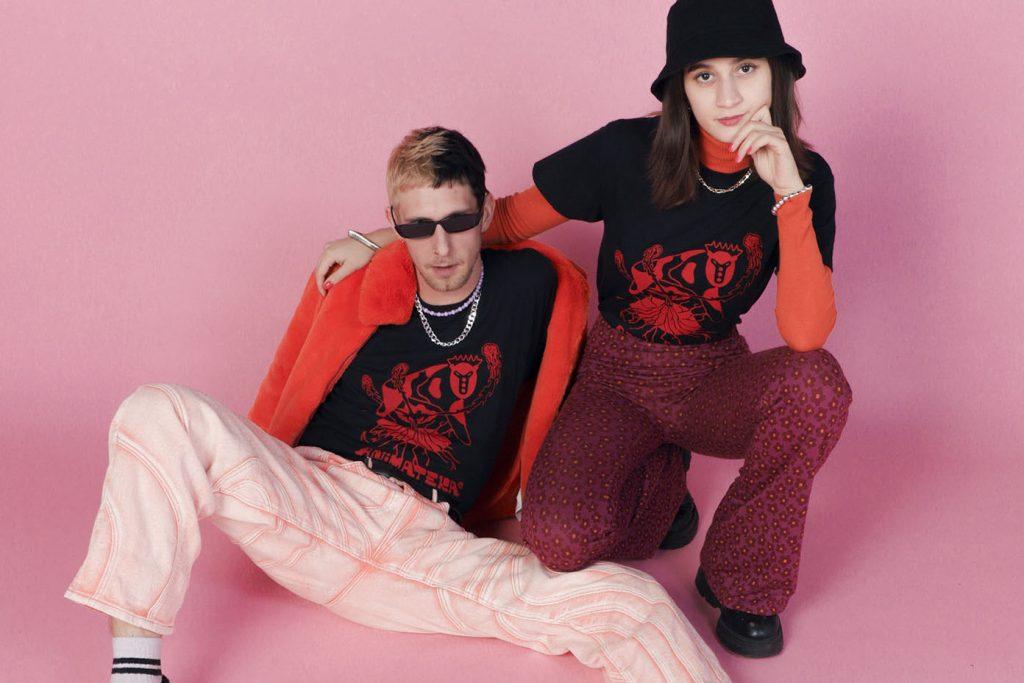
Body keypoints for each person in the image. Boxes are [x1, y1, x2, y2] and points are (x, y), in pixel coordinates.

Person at [64, 126, 729, 683]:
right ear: (395, 223)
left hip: (431, 552)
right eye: (417, 227)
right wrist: (371, 245)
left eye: (458, 222)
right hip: (314, 506)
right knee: (156, 408)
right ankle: (135, 672)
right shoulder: (359, 283)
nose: (440, 248)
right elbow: (285, 386)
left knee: (633, 601)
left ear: (484, 212)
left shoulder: (534, 285)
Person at [312, 0, 853, 659]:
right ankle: (664, 489)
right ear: (680, 87)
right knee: (558, 539)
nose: (729, 95)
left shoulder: (807, 179)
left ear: (776, 74)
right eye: (704, 75)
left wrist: (788, 192)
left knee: (816, 387)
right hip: (618, 376)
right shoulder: (626, 151)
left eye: (746, 69)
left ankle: (737, 580)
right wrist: (385, 238)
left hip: (714, 374)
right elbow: (509, 219)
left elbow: (805, 334)